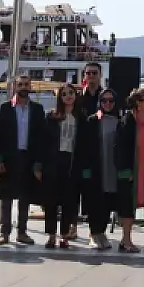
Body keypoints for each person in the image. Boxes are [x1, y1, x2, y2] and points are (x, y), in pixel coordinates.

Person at [0, 75, 46, 245]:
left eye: (26, 84)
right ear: (15, 87)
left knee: (25, 197)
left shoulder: (38, 109)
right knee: (6, 196)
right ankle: (4, 232)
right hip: (9, 157)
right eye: (20, 84)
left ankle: (22, 232)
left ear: (30, 86)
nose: (23, 87)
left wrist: (38, 163)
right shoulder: (5, 108)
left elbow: (40, 138)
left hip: (28, 158)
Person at [38, 83, 85, 249]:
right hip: (54, 161)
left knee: (69, 201)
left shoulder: (81, 117)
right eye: (64, 94)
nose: (68, 96)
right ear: (60, 97)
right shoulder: (52, 116)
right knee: (51, 201)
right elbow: (42, 143)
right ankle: (51, 235)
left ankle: (64, 235)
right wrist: (39, 166)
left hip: (72, 162)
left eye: (71, 93)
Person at [117, 88, 144, 252]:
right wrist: (124, 170)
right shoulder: (126, 122)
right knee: (129, 205)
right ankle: (126, 240)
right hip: (134, 169)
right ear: (137, 102)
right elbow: (120, 148)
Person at [79, 88, 121, 250]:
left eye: (111, 101)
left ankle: (102, 232)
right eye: (104, 101)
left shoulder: (120, 120)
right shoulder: (92, 120)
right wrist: (86, 168)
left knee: (109, 200)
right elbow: (84, 147)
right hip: (96, 167)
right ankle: (94, 233)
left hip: (113, 167)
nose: (108, 104)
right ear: (99, 103)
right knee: (94, 201)